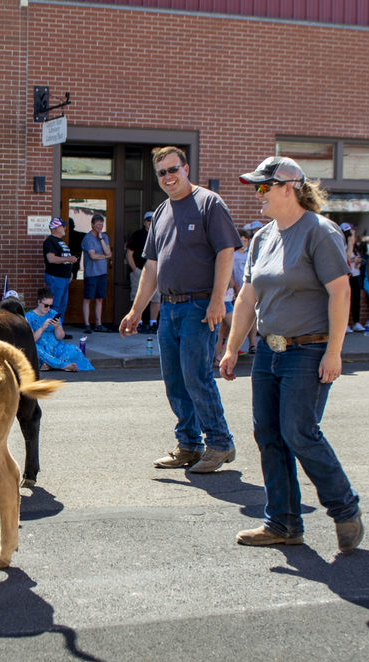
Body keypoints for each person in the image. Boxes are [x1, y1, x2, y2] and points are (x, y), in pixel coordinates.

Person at [221, 155, 363, 552]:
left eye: (264, 187)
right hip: (269, 350)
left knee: (299, 433)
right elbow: (248, 297)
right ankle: (283, 523)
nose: (258, 195)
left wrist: (334, 352)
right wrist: (233, 347)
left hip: (309, 349)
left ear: (290, 189)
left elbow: (340, 291)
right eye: (256, 187)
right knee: (268, 434)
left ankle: (344, 508)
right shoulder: (265, 237)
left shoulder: (320, 231)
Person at [119, 146, 238, 474]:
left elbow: (226, 251)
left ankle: (220, 442)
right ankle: (188, 445)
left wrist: (218, 299)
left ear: (186, 168)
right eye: (162, 173)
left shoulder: (209, 203)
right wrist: (135, 311)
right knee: (174, 379)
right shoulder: (160, 213)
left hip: (199, 306)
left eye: (174, 170)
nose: (168, 177)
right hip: (169, 310)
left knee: (196, 376)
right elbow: (151, 269)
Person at [25, 288, 93, 372]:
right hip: (41, 348)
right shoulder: (29, 316)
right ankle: (64, 366)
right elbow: (31, 340)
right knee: (34, 350)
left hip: (56, 347)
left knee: (74, 349)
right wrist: (42, 328)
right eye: (46, 305)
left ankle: (51, 365)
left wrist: (58, 327)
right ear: (39, 302)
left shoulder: (53, 313)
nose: (48, 308)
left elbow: (60, 337)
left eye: (50, 306)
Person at [125, 212, 160, 333]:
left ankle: (153, 323)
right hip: (140, 270)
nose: (150, 223)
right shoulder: (137, 235)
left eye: (152, 220)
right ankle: (137, 323)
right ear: (144, 222)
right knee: (137, 297)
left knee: (156, 298)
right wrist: (135, 270)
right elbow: (129, 254)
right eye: (148, 220)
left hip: (156, 271)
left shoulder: (160, 234)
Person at [43, 217, 78, 336]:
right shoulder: (50, 241)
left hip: (64, 278)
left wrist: (70, 272)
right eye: (62, 226)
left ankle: (58, 331)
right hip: (55, 278)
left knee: (62, 306)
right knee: (55, 305)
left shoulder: (61, 242)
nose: (64, 228)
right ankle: (51, 331)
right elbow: (51, 259)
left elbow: (62, 259)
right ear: (56, 228)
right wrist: (68, 259)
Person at [81, 214, 112, 333]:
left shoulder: (104, 237)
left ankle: (99, 324)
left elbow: (109, 252)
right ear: (92, 224)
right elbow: (93, 256)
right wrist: (105, 256)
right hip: (91, 273)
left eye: (101, 225)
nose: (100, 227)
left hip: (102, 273)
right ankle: (87, 324)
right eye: (98, 224)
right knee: (88, 298)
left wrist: (101, 239)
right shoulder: (88, 238)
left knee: (100, 299)